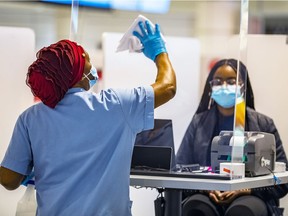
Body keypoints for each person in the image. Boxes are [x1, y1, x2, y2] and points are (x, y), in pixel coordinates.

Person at [0, 20, 176, 216]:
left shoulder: (30, 118)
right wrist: (159, 50)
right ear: (77, 72)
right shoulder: (116, 105)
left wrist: (33, 171)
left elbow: (8, 179)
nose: (92, 67)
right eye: (88, 60)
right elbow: (168, 87)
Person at [176, 58, 288, 216]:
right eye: (218, 81)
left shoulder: (264, 124)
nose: (224, 86)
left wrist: (248, 190)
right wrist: (204, 187)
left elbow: (282, 178)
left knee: (242, 211)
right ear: (210, 87)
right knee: (197, 208)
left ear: (243, 86)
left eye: (231, 81)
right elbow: (179, 168)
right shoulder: (198, 123)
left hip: (251, 196)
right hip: (205, 193)